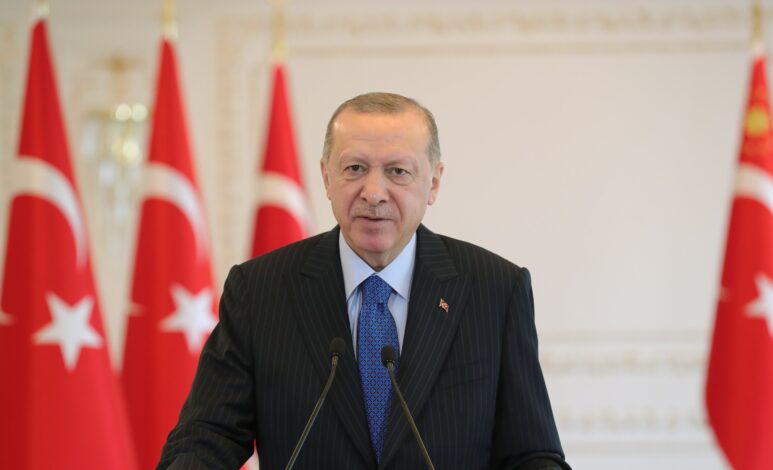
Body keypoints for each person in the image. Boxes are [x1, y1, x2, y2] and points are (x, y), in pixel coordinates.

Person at [158, 92, 569, 469]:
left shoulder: (495, 290)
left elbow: (531, 454)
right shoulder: (259, 290)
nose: (374, 192)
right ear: (326, 177)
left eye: (397, 171)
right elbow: (208, 436)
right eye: (355, 168)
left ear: (433, 182)